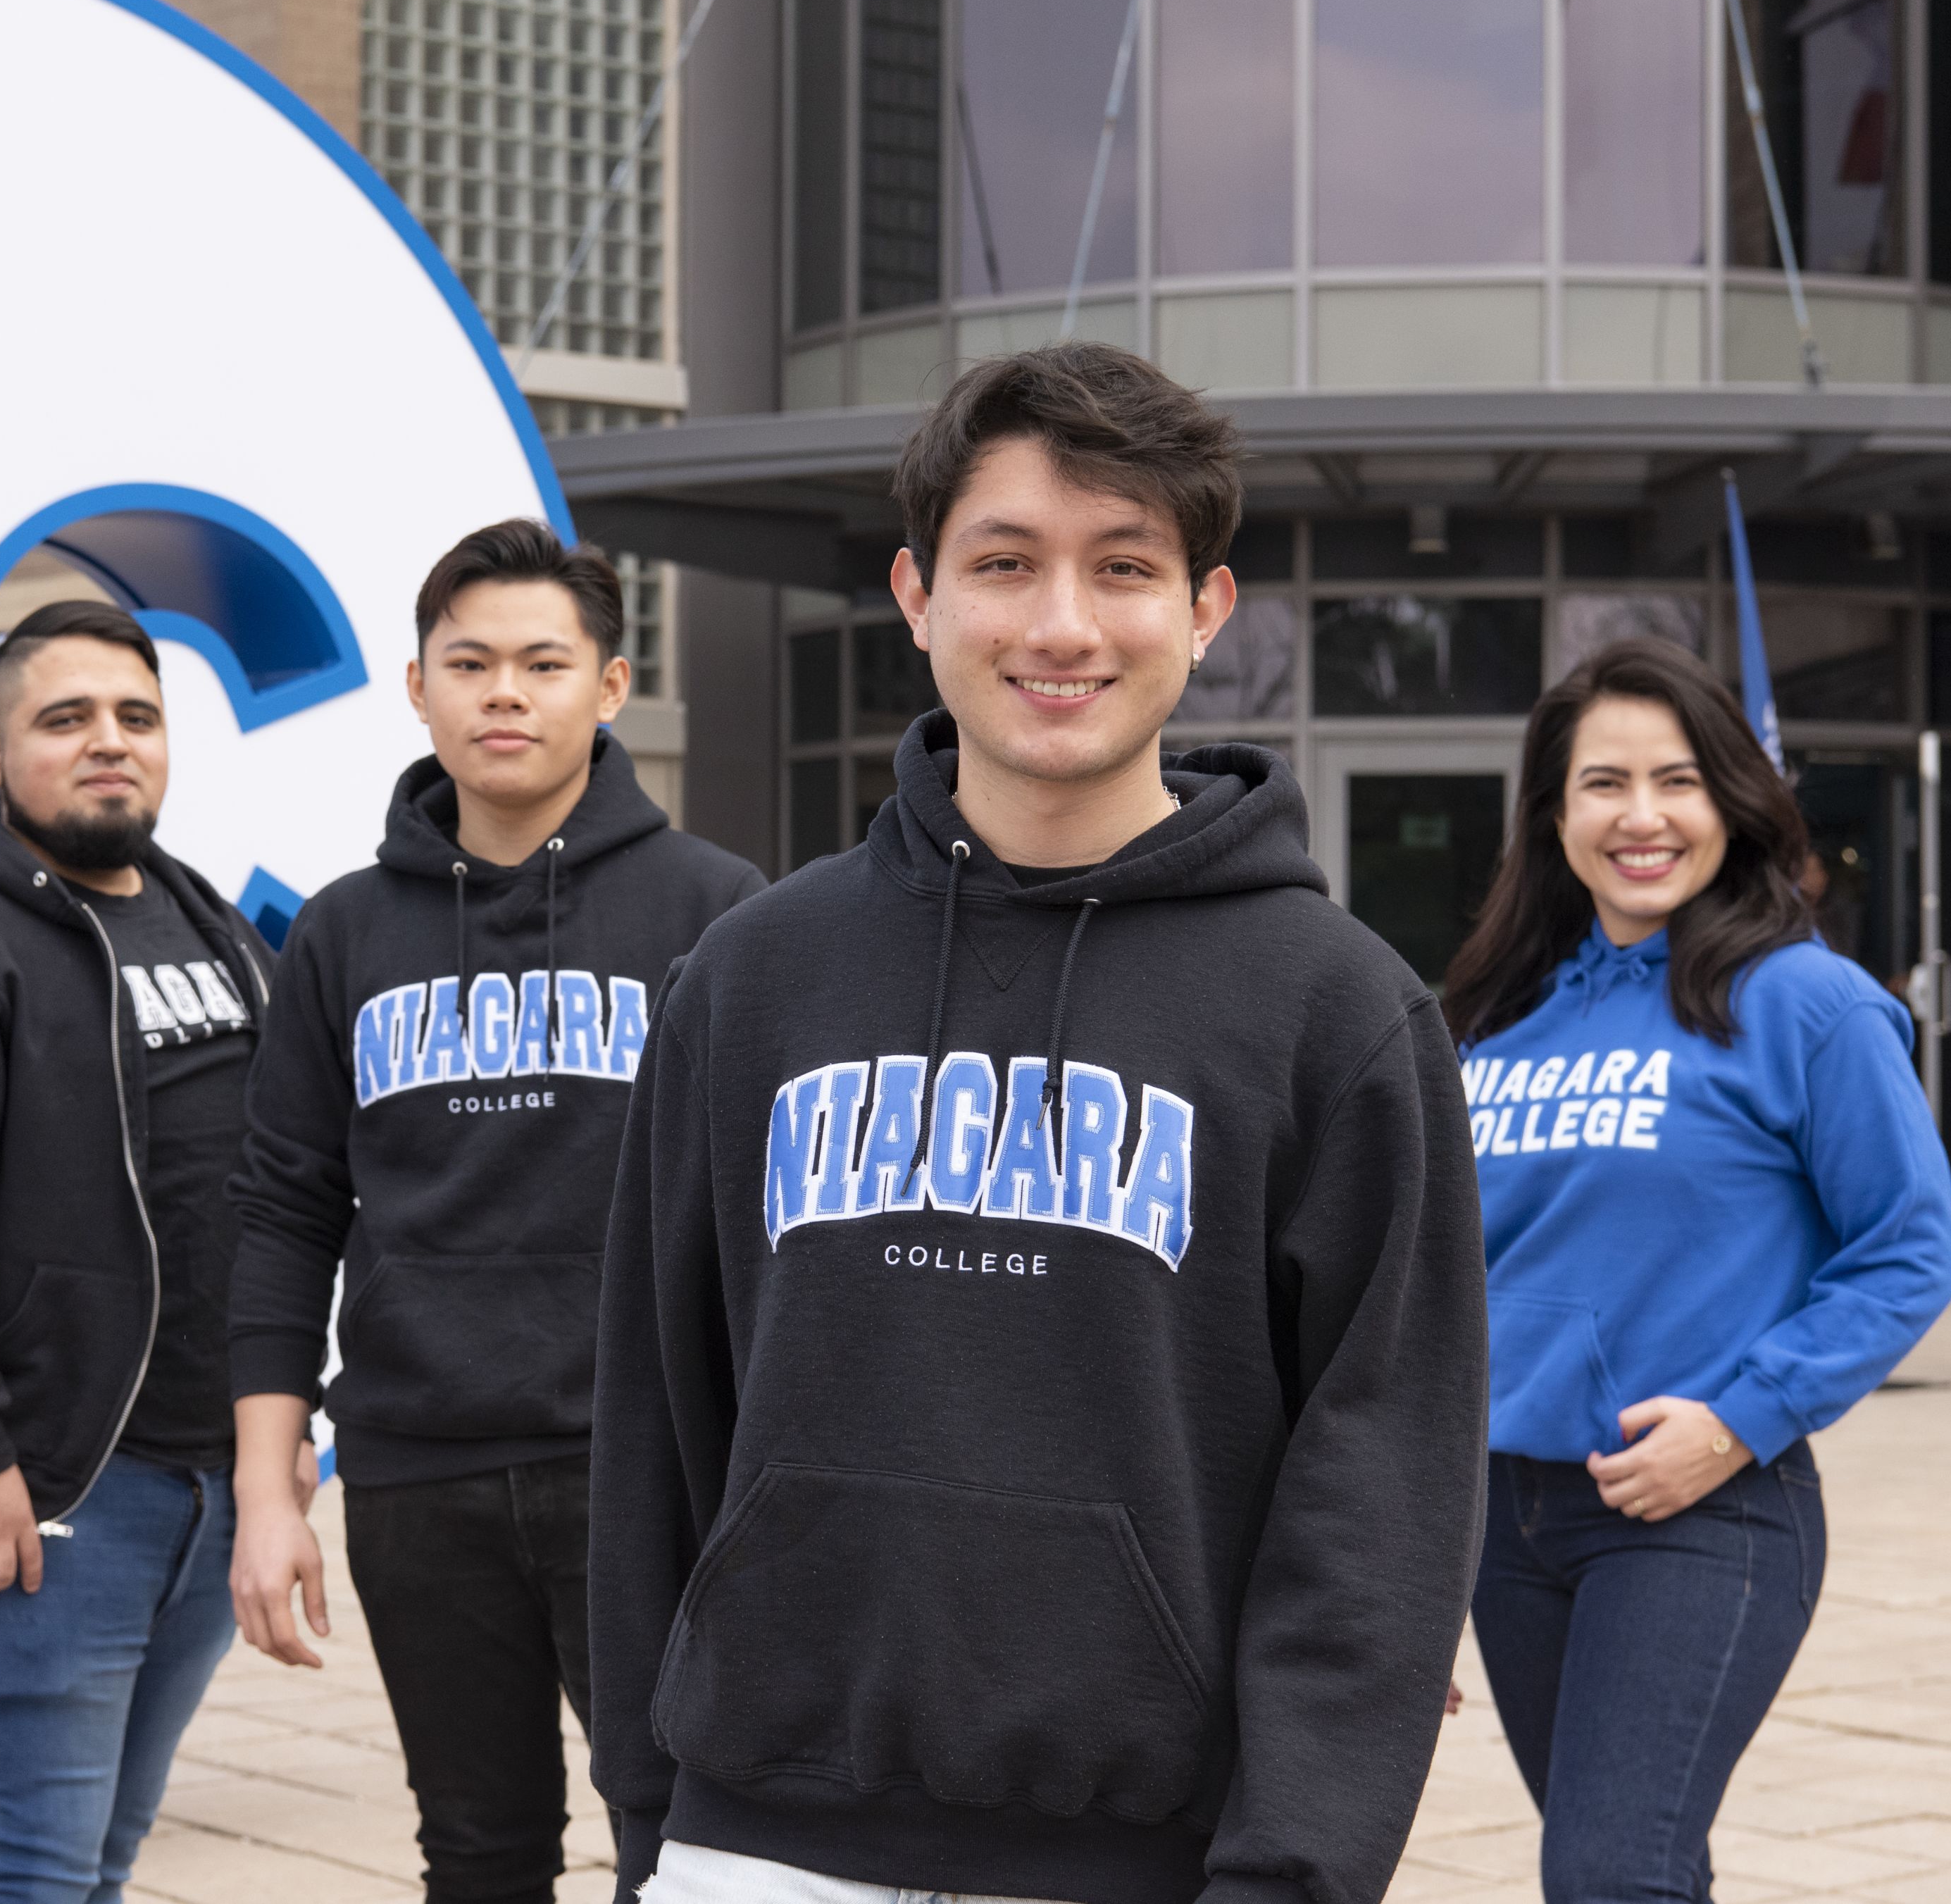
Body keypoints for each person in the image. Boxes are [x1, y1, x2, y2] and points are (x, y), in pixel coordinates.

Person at [587, 344, 1490, 1904]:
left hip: (1138, 1862)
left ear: (1204, 611)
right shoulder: (751, 978)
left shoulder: (1334, 1011)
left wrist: (1287, 1873)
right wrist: (650, 1815)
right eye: (1002, 562)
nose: (1059, 623)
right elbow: (654, 1419)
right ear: (915, 593)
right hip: (755, 1841)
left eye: (1122, 565)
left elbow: (1378, 1501)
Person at [226, 519, 763, 1904]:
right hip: (417, 1478)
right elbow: (285, 1211)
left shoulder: (720, 913)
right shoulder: (343, 932)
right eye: (469, 662)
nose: (503, 692)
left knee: (692, 1845)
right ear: (418, 686)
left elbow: (769, 1223)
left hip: (645, 1474)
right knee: (475, 1853)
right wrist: (265, 1487)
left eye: (541, 660)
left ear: (608, 683)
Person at [1440, 637, 1951, 1904]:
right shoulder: (1492, 1018)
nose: (1642, 816)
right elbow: (1431, 1285)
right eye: (1603, 782)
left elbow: (1907, 1248)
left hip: (1694, 1510)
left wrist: (1738, 1419)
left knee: (1612, 1875)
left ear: (1732, 797)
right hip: (1503, 1524)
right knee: (1639, 1867)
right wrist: (1399, 1551)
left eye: (1677, 780)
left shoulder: (1806, 1005)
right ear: (1554, 812)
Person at [0, 601, 277, 1904]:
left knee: (103, 1859)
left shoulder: (211, 927)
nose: (108, 743)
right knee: (31, 1865)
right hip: (53, 1493)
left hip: (209, 1486)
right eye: (64, 718)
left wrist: (274, 1429)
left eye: (136, 717)